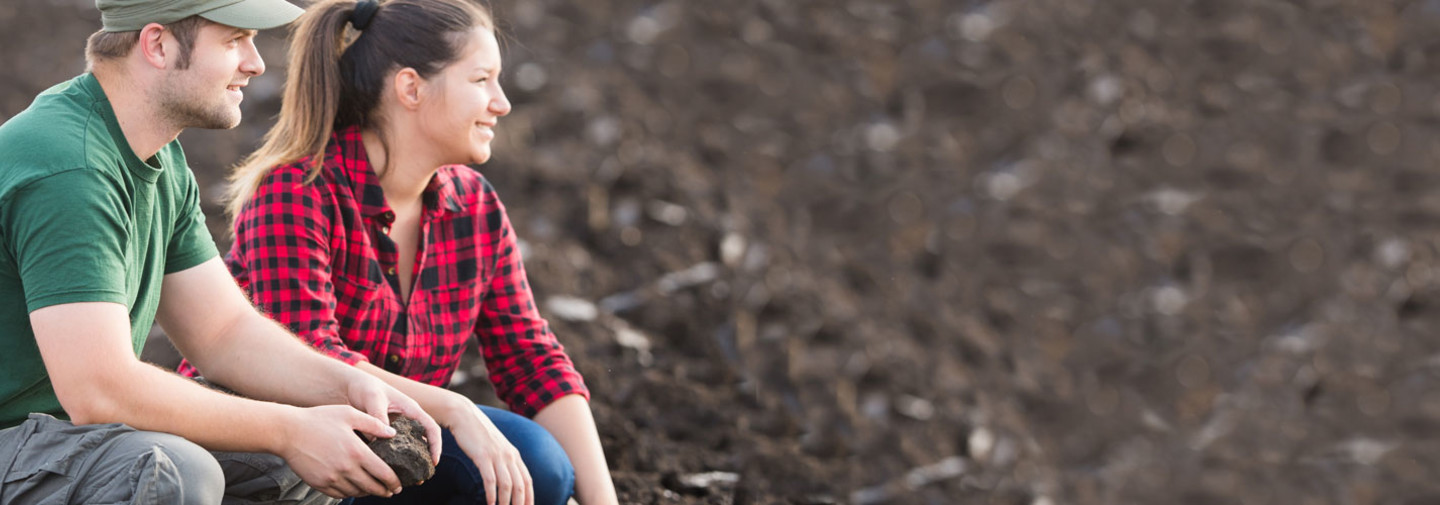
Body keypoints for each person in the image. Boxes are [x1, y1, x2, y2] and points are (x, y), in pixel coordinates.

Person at [0, 0, 448, 504]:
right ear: (157, 45)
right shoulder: (68, 165)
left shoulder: (157, 155)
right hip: (12, 437)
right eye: (235, 40)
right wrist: (289, 428)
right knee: (171, 472)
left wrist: (343, 388)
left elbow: (221, 332)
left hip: (55, 439)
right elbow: (100, 388)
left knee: (307, 458)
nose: (256, 63)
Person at [177, 0, 622, 504]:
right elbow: (309, 360)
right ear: (411, 88)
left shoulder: (475, 206)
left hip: (396, 446)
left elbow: (532, 361)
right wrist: (454, 408)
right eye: (481, 81)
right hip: (284, 456)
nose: (501, 102)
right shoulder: (297, 191)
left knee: (538, 466)